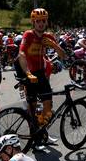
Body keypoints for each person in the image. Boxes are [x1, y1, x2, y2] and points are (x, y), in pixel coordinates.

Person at [16, 8, 67, 145]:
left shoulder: (48, 36)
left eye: (43, 21)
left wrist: (54, 46)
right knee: (32, 109)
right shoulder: (28, 35)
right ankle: (36, 138)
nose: (40, 23)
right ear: (33, 22)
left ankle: (42, 131)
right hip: (28, 73)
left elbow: (63, 56)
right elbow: (21, 54)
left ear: (46, 22)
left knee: (48, 106)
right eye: (37, 21)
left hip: (41, 74)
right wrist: (27, 73)